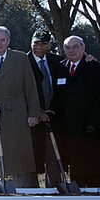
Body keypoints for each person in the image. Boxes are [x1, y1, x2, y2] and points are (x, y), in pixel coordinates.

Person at [0, 26, 42, 188]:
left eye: (2, 40)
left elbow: (30, 87)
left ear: (8, 41)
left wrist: (34, 113)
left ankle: (22, 188)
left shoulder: (20, 59)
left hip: (16, 112)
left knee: (18, 153)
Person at [52, 36, 100, 188]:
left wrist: (94, 124)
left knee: (92, 170)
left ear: (83, 48)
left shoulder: (95, 68)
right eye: (68, 48)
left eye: (75, 47)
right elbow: (56, 97)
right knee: (75, 170)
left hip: (90, 129)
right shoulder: (60, 68)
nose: (71, 51)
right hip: (68, 130)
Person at [27, 29, 68, 188]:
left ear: (49, 45)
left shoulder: (58, 62)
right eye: (36, 43)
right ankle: (31, 192)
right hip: (32, 118)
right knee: (33, 158)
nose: (39, 47)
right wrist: (37, 112)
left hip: (54, 117)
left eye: (43, 43)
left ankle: (55, 188)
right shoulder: (24, 62)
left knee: (54, 157)